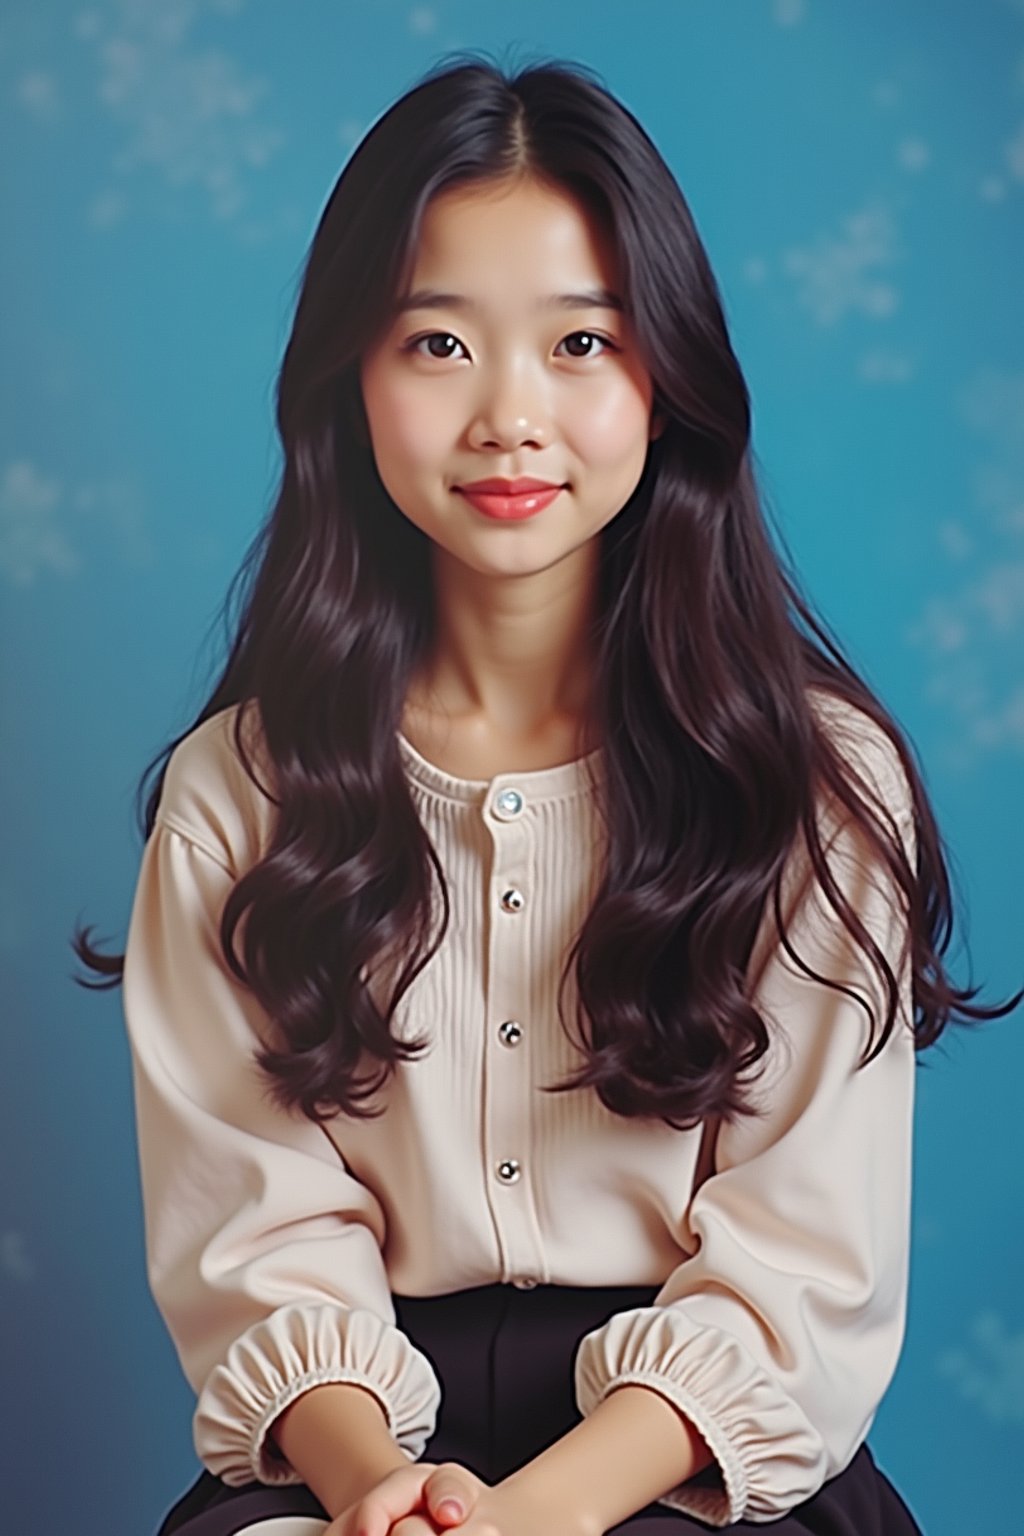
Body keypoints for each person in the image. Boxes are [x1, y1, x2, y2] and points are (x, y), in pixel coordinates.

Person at [73, 51, 1021, 1536]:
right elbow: (255, 1242)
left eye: (582, 343)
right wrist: (385, 1492)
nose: (511, 415)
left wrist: (542, 1515)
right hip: (354, 1440)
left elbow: (800, 1271)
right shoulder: (239, 792)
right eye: (438, 345)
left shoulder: (818, 782)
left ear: (670, 377)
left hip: (698, 1454)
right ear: (348, 381)